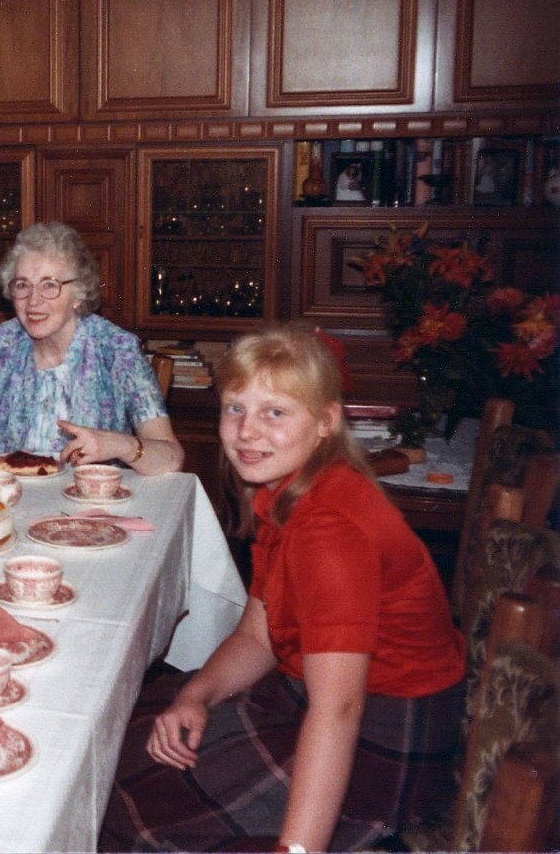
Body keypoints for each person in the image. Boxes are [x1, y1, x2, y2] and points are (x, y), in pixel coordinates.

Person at [98, 323, 466, 852]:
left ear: (325, 422)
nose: (248, 432)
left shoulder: (329, 530)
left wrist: (296, 851)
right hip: (310, 692)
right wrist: (195, 696)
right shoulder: (290, 492)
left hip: (381, 728)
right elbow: (257, 637)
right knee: (122, 734)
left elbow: (339, 710)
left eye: (275, 412)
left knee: (138, 817)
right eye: (235, 408)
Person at [0, 222, 182, 475]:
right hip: (11, 501)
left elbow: (171, 458)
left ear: (79, 294)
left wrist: (120, 444)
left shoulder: (117, 350)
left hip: (92, 507)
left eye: (50, 285)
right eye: (22, 285)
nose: (33, 301)